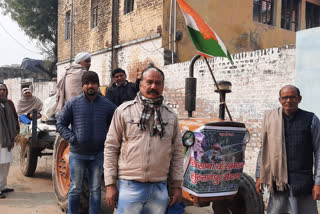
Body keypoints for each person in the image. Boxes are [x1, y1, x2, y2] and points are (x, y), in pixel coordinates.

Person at [104, 65, 184, 214]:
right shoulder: (124, 111)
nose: (153, 86)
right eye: (149, 82)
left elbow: (178, 151)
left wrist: (177, 185)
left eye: (158, 83)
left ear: (162, 86)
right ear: (140, 85)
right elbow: (111, 147)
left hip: (159, 187)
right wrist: (110, 184)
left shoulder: (170, 115)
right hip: (129, 185)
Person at [56, 71, 116, 214]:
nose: (90, 86)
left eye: (93, 83)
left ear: (98, 85)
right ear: (82, 85)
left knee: (95, 189)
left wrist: (107, 139)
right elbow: (60, 124)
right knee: (75, 188)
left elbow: (116, 126)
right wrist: (72, 138)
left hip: (98, 155)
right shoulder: (73, 103)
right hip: (78, 154)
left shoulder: (107, 105)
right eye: (87, 83)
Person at [255, 85, 320, 214]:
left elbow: (319, 151)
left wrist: (318, 183)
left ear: (299, 99)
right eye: (285, 97)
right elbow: (264, 150)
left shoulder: (311, 119)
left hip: (303, 182)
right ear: (280, 100)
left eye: (292, 97)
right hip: (278, 183)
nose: (288, 101)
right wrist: (259, 176)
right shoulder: (271, 120)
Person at [0, 83, 19, 199]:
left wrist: (16, 131)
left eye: (4, 89)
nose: (2, 91)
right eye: (0, 89)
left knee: (6, 164)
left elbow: (15, 117)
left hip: (8, 139)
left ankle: (2, 186)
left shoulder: (9, 103)